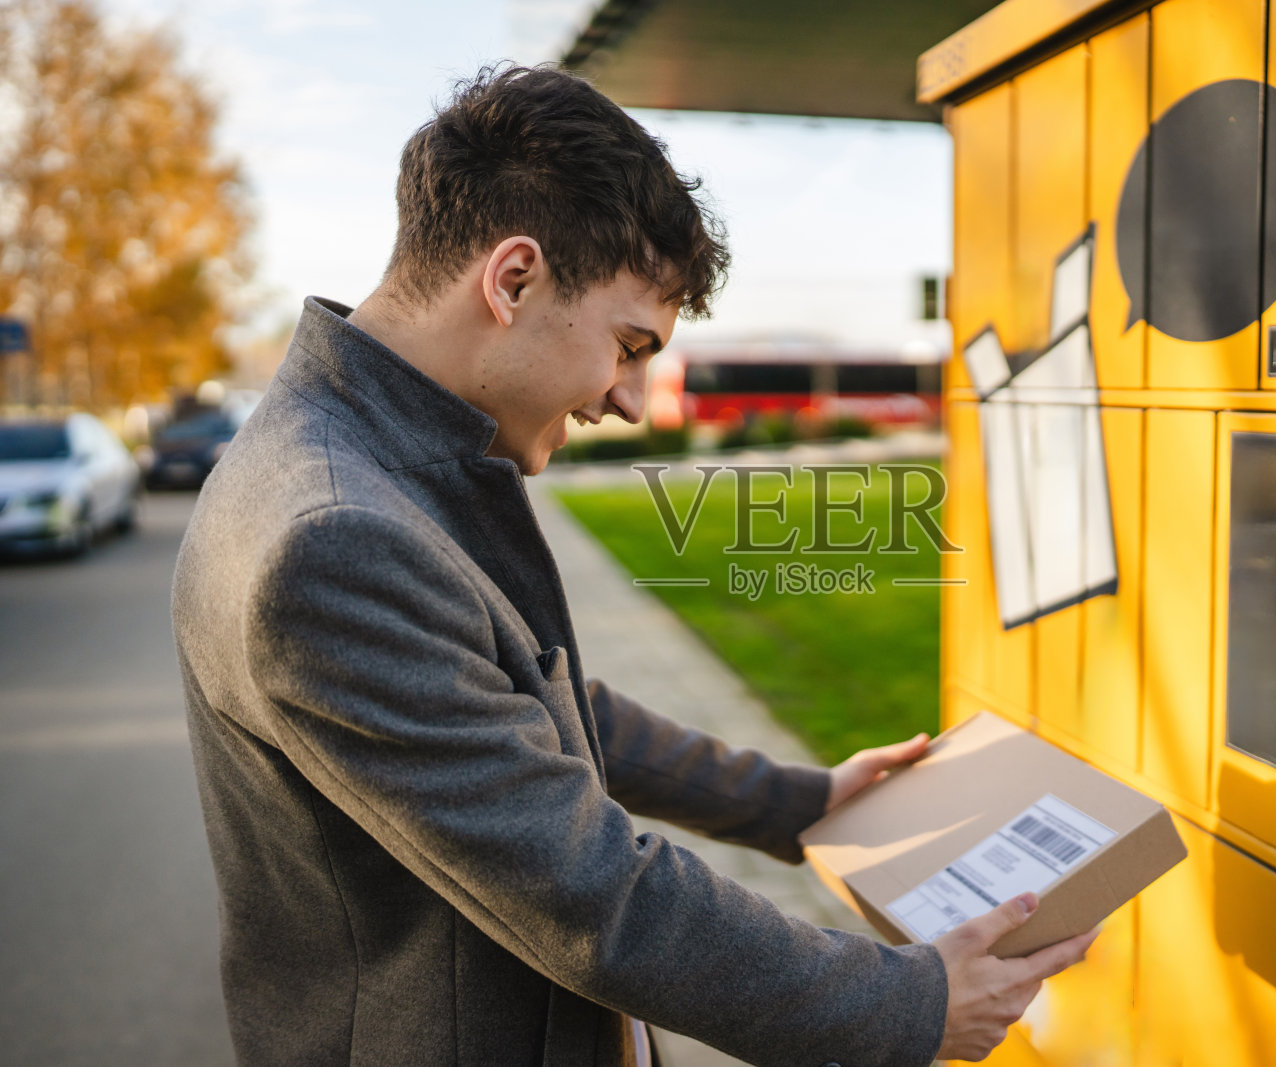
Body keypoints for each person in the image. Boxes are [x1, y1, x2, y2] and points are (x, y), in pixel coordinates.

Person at [172, 64, 1096, 1067]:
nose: (630, 400)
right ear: (512, 279)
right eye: (628, 344)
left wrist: (797, 801)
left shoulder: (370, 454)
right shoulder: (335, 536)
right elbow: (592, 896)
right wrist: (903, 1002)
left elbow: (537, 700)